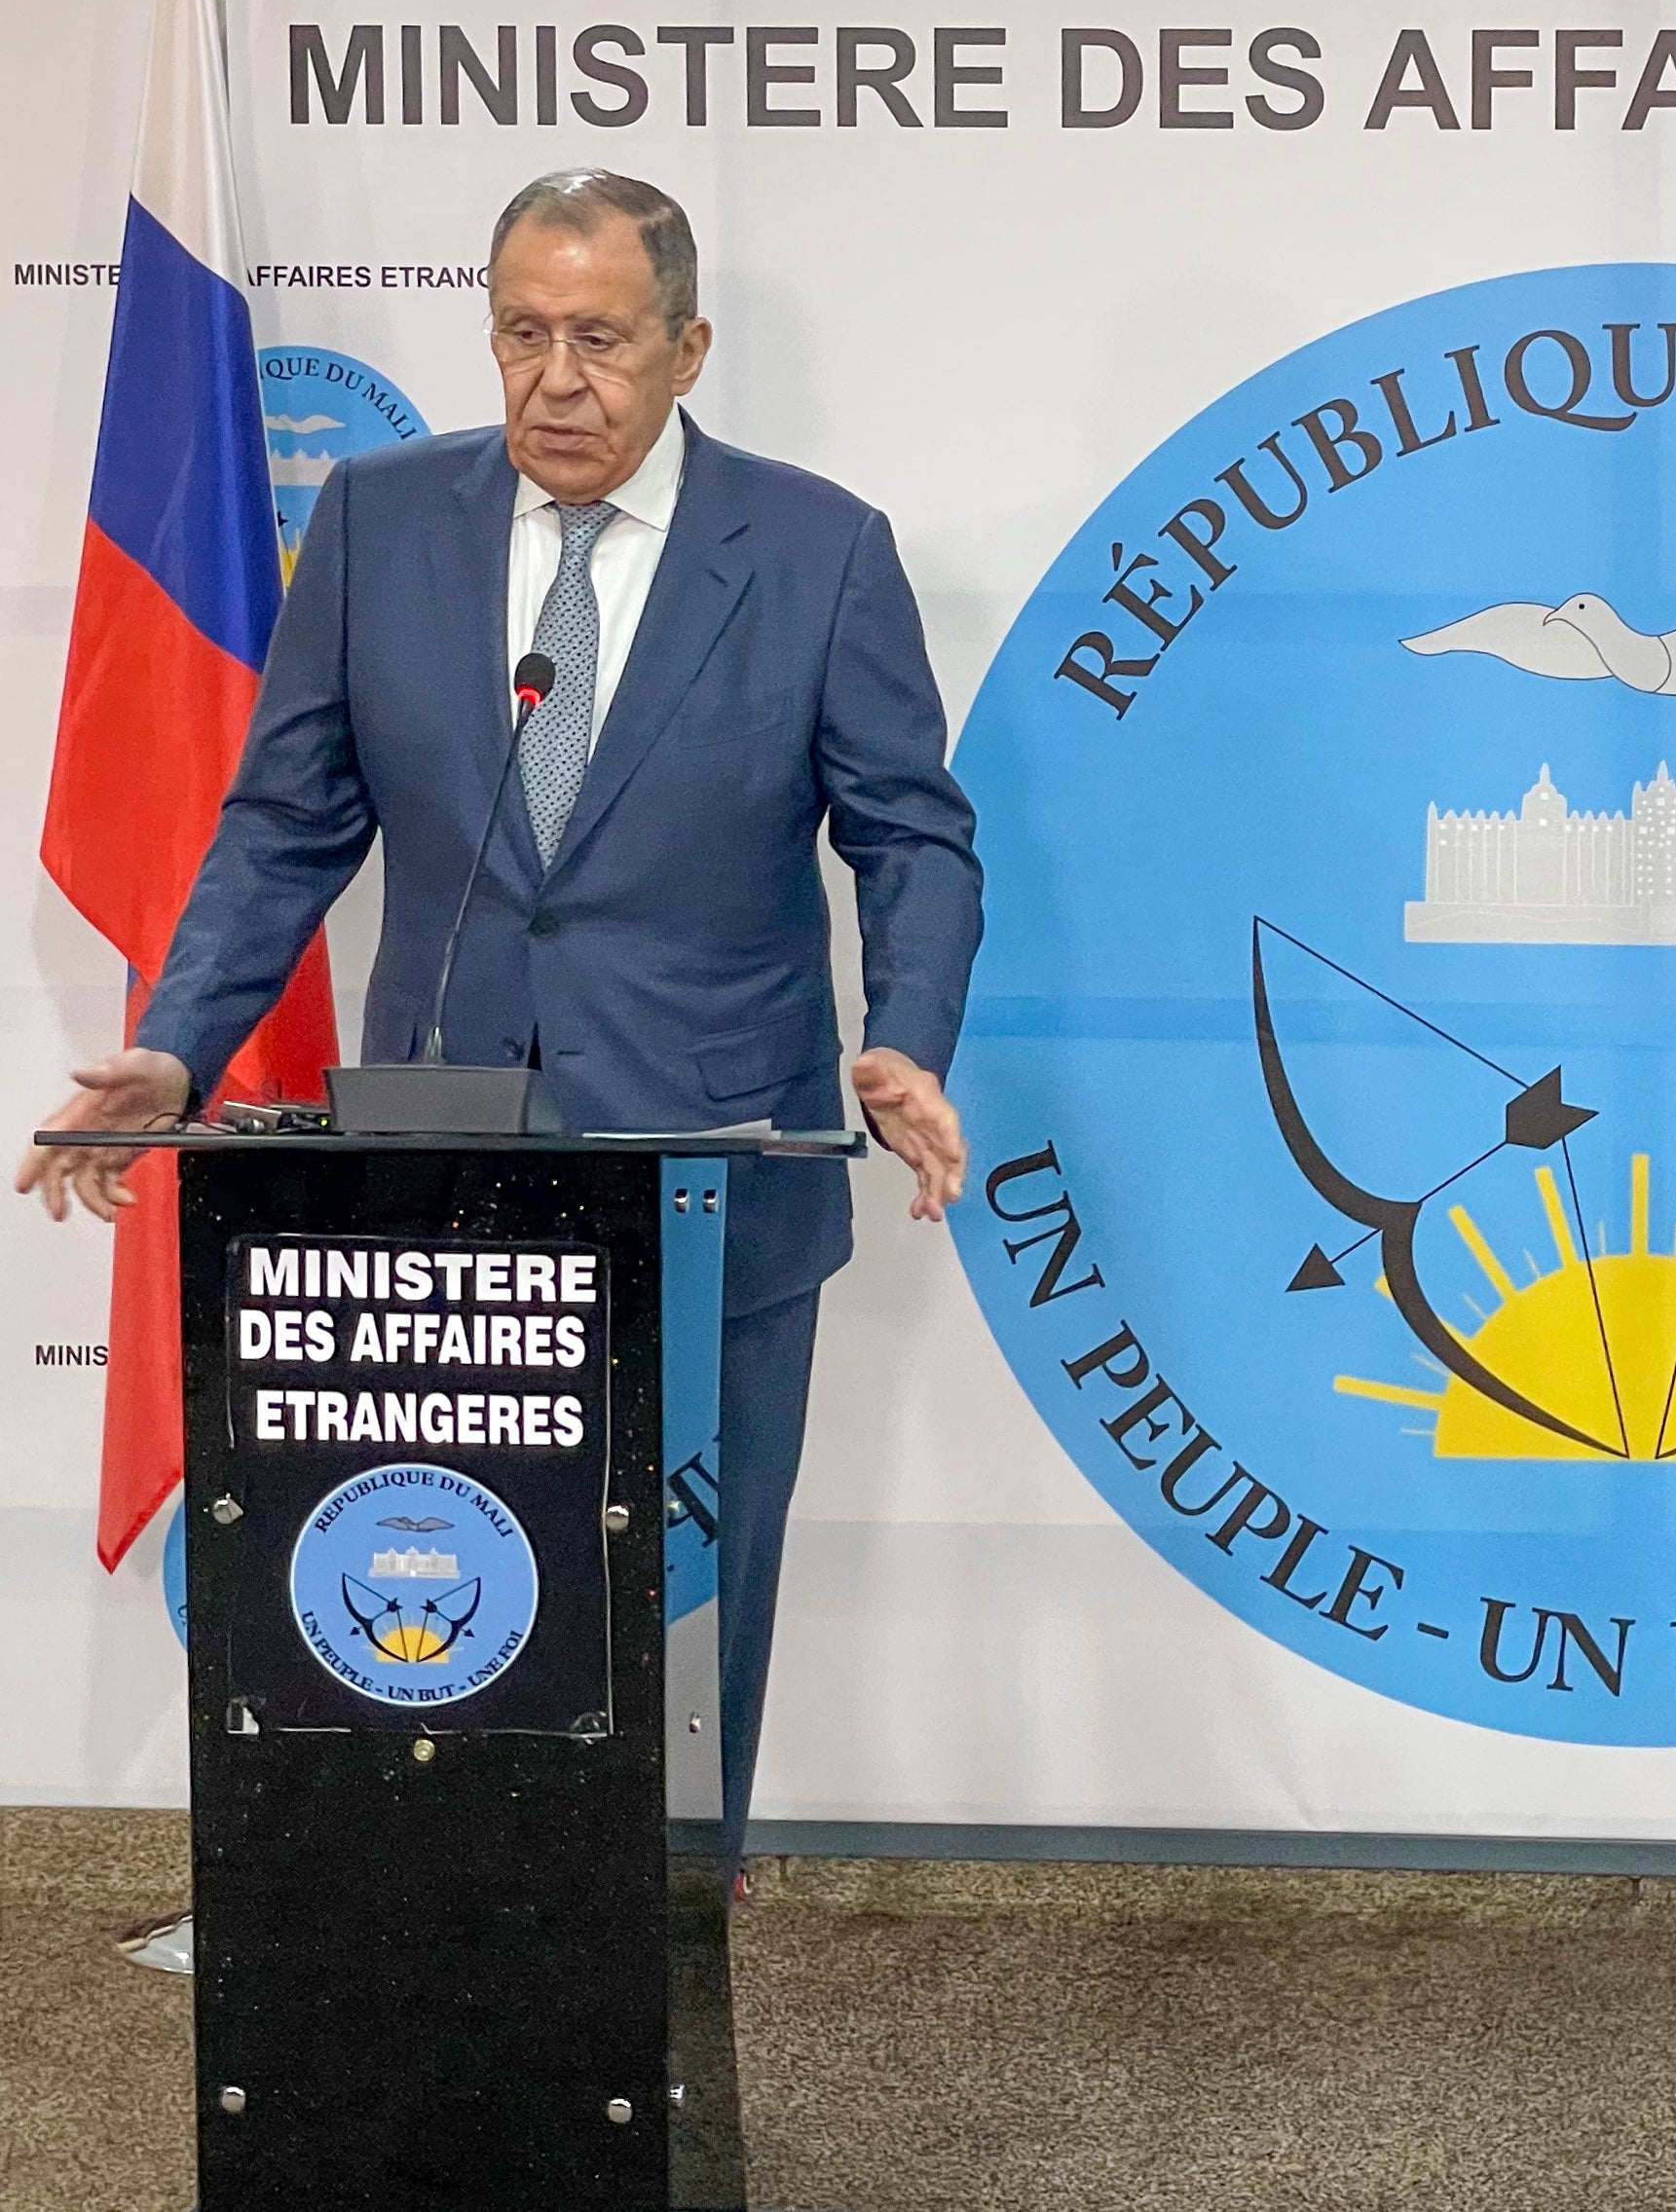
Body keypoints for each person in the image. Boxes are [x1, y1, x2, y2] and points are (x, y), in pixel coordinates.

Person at [19, 167, 983, 1875]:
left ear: (686, 349)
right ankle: (435, 1958)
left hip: (717, 1175)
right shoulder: (385, 524)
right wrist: (176, 1040)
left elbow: (909, 829)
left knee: (679, 1639)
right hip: (437, 1193)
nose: (557, 378)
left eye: (601, 339)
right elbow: (283, 823)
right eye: (524, 334)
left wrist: (908, 1030)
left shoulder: (819, 546)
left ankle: (676, 1944)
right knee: (439, 1603)